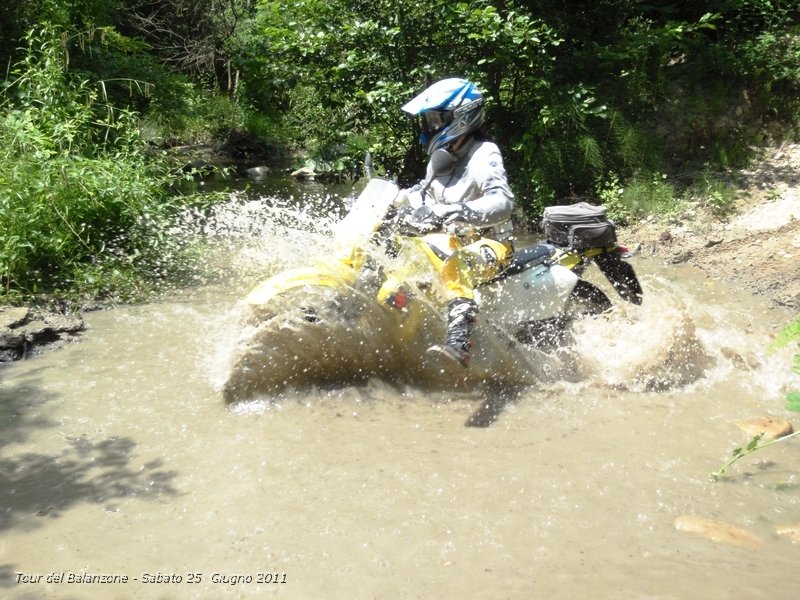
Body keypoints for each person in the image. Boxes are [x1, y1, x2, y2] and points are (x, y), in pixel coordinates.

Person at [397, 77, 515, 368]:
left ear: (462, 117)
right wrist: (393, 202)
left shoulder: (483, 153)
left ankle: (459, 340)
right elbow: (423, 195)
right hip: (451, 241)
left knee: (455, 265)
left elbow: (503, 202)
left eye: (436, 120)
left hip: (493, 245)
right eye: (428, 121)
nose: (430, 129)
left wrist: (458, 210)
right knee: (398, 262)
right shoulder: (441, 157)